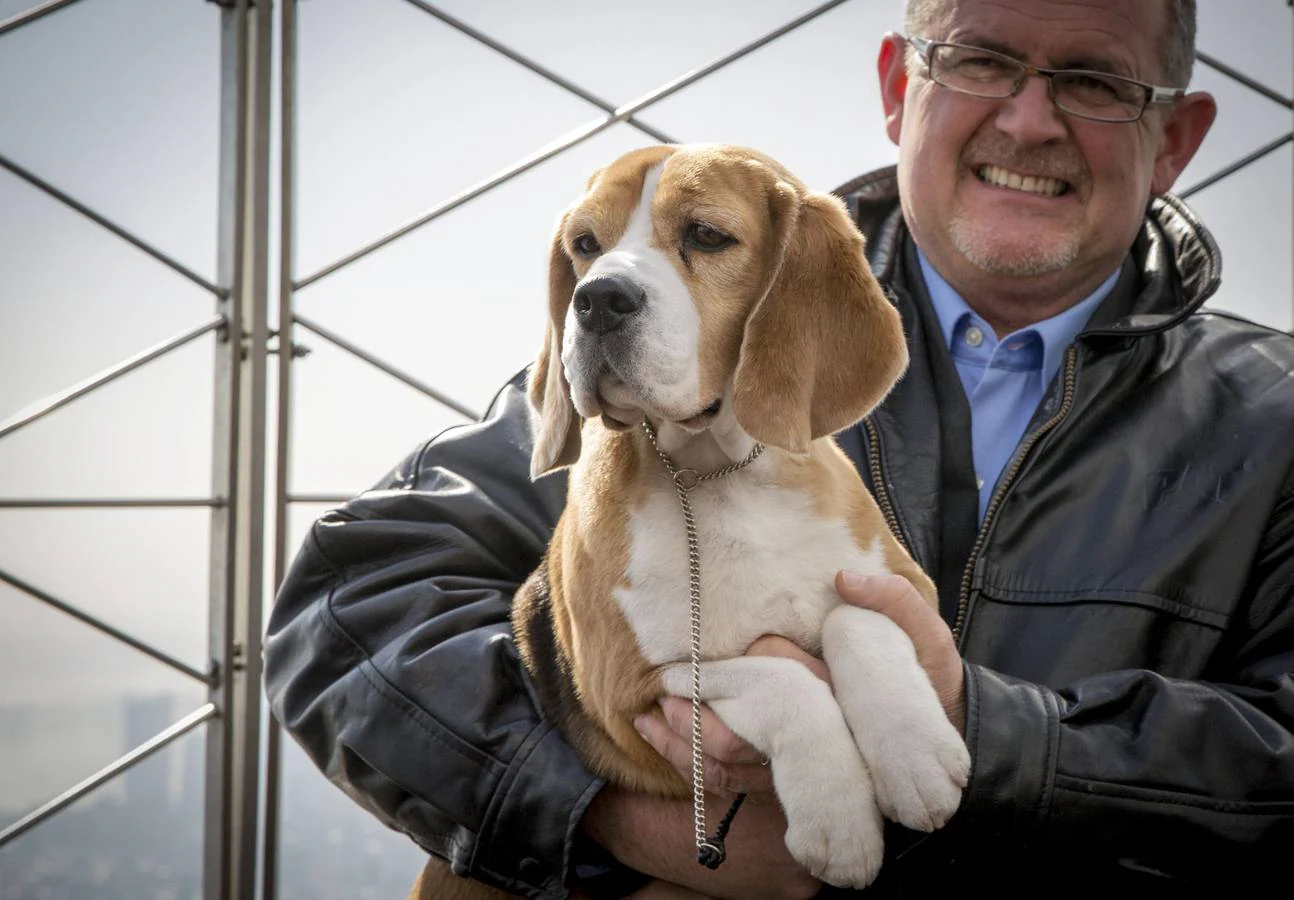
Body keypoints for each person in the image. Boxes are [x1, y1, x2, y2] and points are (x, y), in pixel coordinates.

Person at [264, 0, 1294, 896]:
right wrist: (623, 820)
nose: (1028, 120)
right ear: (899, 89)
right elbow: (345, 608)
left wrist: (991, 737)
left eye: (1093, 79)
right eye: (979, 60)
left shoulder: (1276, 423)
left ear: (1176, 138)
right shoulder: (663, 356)